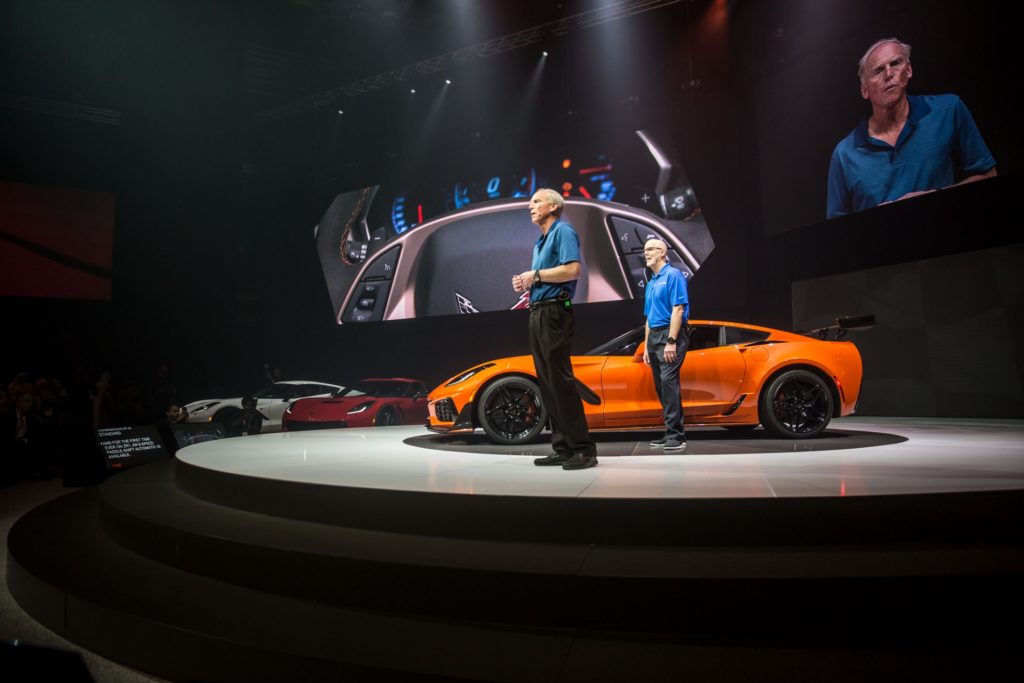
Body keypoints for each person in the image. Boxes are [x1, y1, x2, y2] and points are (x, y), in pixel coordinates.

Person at [826, 37, 997, 218]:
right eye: (878, 70)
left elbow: (988, 175)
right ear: (864, 90)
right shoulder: (844, 154)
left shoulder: (948, 110)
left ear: (908, 70)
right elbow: (836, 229)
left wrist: (934, 198)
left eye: (895, 63)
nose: (889, 74)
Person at [512, 189, 597, 470]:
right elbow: (544, 277)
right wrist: (526, 282)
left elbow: (573, 270)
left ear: (553, 206)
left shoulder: (563, 231)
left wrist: (535, 275)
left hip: (555, 312)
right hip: (538, 312)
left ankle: (583, 449)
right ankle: (562, 447)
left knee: (560, 381)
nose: (530, 206)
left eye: (536, 201)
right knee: (548, 384)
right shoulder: (540, 242)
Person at [642, 238, 690, 451]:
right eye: (645, 250)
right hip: (654, 336)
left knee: (668, 383)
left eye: (651, 249)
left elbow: (678, 309)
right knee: (662, 387)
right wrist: (646, 346)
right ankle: (673, 431)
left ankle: (676, 436)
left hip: (670, 335)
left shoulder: (673, 275)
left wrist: (671, 341)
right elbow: (648, 317)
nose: (646, 253)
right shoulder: (651, 282)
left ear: (662, 252)